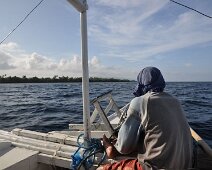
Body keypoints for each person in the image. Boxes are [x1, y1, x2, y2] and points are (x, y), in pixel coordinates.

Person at [98, 66, 193, 170]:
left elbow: (124, 148)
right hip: (185, 165)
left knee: (106, 168)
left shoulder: (140, 101)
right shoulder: (175, 101)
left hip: (156, 167)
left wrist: (112, 145)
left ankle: (109, 149)